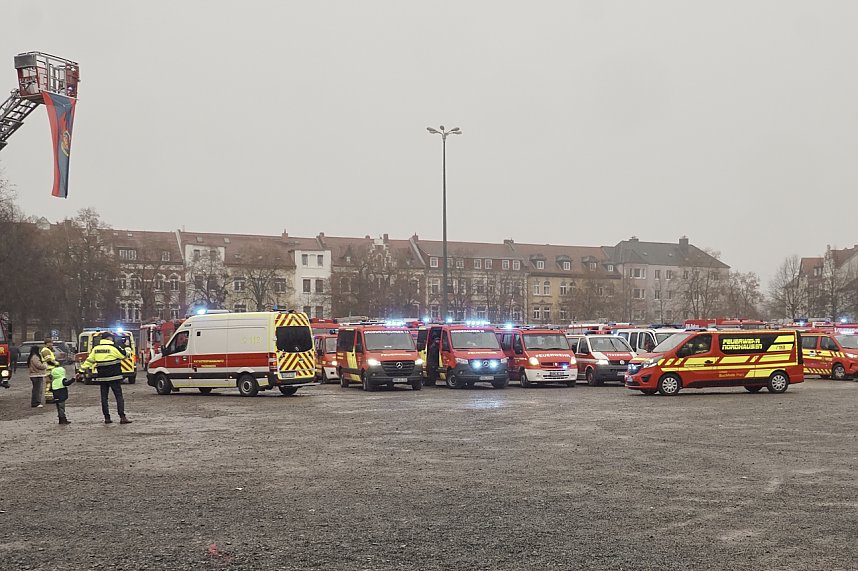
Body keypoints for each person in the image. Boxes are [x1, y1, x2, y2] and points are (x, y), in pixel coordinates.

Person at [78, 331, 133, 424]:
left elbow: (89, 361)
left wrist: (81, 371)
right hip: (114, 377)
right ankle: (122, 417)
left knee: (104, 397)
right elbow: (125, 356)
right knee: (118, 396)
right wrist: (127, 348)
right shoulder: (114, 347)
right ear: (109, 338)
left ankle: (107, 418)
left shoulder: (96, 349)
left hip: (102, 377)